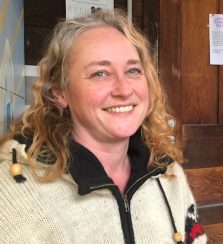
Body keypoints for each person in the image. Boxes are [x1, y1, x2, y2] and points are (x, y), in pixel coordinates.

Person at [0, 9, 207, 244]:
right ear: (60, 92)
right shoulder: (12, 191)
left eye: (133, 71)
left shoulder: (167, 174)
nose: (124, 89)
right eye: (100, 73)